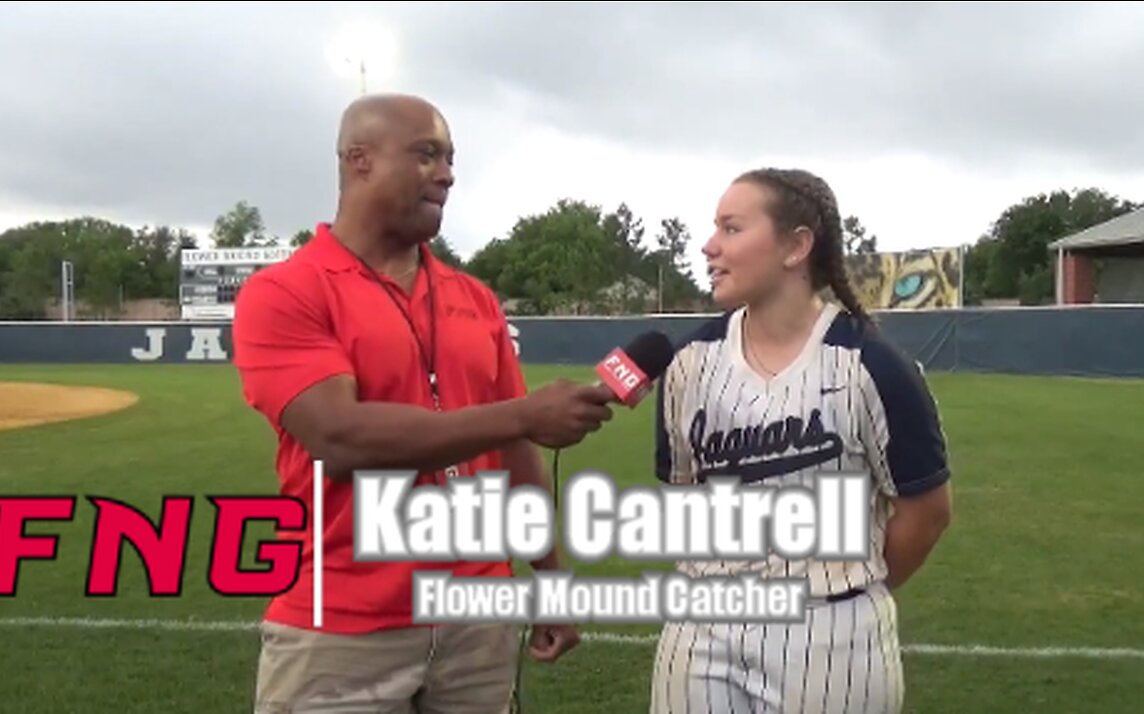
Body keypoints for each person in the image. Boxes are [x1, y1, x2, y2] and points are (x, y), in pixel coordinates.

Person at [231, 93, 614, 714]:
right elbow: (341, 437)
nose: (447, 173)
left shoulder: (475, 298)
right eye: (426, 154)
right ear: (359, 160)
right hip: (343, 626)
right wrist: (524, 413)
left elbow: (514, 453)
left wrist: (550, 577)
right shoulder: (284, 292)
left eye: (450, 158)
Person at [650, 168, 953, 713]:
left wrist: (847, 592)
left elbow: (926, 511)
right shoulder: (688, 363)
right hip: (700, 626)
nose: (709, 245)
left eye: (732, 228)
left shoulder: (872, 365)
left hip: (831, 631)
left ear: (796, 246)